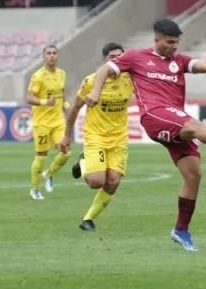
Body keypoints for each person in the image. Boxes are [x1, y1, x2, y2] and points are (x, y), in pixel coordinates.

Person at [84, 19, 206, 252]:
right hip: (154, 115)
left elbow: (203, 65)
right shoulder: (135, 56)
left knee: (193, 174)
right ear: (157, 40)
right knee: (193, 125)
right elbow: (104, 70)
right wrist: (96, 91)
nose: (174, 47)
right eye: (170, 42)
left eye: (177, 42)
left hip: (174, 118)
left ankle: (181, 230)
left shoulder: (178, 61)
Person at [58, 43, 132, 232]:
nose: (117, 61)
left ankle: (88, 219)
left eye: (120, 57)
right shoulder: (91, 82)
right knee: (96, 182)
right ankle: (83, 161)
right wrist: (66, 136)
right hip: (96, 136)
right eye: (112, 57)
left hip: (119, 138)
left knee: (113, 181)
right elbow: (75, 108)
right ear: (104, 60)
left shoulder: (130, 79)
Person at [26, 45, 71, 200]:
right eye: (49, 53)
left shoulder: (62, 74)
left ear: (57, 56)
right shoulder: (38, 76)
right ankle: (34, 189)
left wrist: (66, 106)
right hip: (42, 122)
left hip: (58, 120)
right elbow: (29, 98)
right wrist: (45, 101)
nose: (52, 56)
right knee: (41, 157)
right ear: (44, 57)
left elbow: (61, 93)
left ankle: (49, 174)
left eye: (54, 53)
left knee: (66, 152)